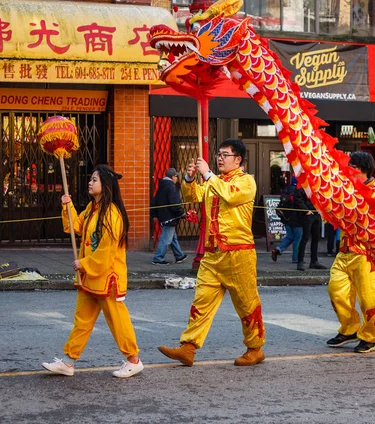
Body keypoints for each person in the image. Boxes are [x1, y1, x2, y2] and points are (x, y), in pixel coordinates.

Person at [158, 139, 266, 367]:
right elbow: (192, 196)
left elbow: (230, 195)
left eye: (225, 154)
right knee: (201, 302)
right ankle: (188, 347)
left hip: (239, 253)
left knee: (247, 304)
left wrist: (207, 174)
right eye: (218, 154)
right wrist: (189, 178)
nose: (219, 158)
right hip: (212, 254)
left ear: (238, 159)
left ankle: (255, 348)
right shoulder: (213, 182)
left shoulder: (246, 182)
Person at [41, 164, 143, 378]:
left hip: (107, 278)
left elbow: (106, 251)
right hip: (90, 277)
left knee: (117, 321)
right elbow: (75, 227)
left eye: (94, 179)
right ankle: (69, 361)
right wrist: (67, 207)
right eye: (91, 179)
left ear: (105, 185)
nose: (90, 182)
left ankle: (134, 360)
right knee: (82, 320)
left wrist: (85, 264)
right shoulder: (92, 208)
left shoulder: (113, 214)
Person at [326, 152, 375, 353]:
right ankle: (350, 328)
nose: (348, 171)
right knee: (336, 291)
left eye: (352, 167)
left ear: (362, 170)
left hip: (365, 255)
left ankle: (369, 336)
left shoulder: (374, 194)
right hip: (344, 251)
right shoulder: (347, 189)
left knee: (368, 299)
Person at [151, 168, 188, 265]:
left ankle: (179, 256)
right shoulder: (171, 187)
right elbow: (175, 203)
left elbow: (155, 201)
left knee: (172, 238)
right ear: (173, 177)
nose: (177, 178)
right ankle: (158, 258)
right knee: (166, 239)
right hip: (170, 217)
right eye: (176, 176)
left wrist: (154, 214)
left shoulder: (162, 186)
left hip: (163, 216)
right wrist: (182, 213)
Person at [271, 176, 303, 263]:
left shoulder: (286, 189)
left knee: (290, 237)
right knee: (298, 239)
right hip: (297, 219)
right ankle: (296, 258)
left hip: (286, 218)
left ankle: (278, 249)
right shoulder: (299, 190)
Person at [294, 186, 327, 271]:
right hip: (308, 214)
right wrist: (306, 210)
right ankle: (300, 261)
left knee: (316, 238)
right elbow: (298, 198)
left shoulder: (316, 183)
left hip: (316, 213)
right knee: (305, 238)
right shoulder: (302, 184)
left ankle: (314, 261)